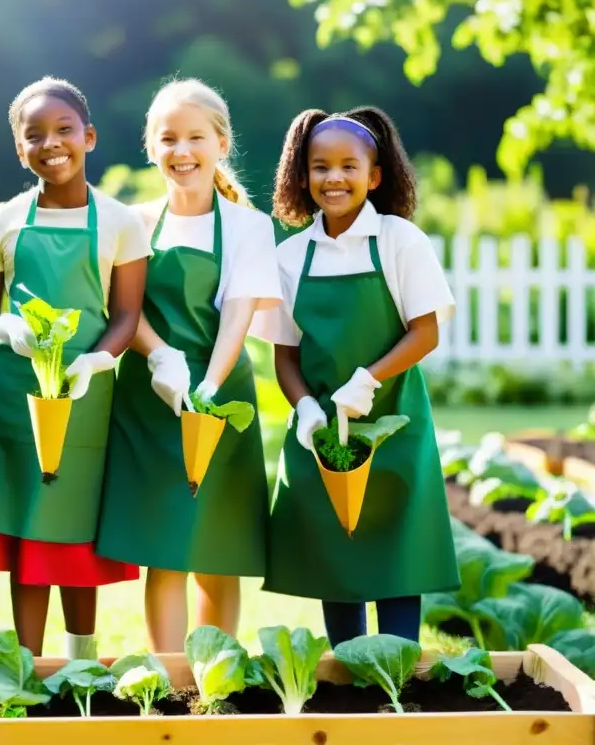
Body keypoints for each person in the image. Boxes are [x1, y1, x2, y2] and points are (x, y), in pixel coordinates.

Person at [253, 106, 461, 645]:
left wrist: (367, 380)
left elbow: (425, 332)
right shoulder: (288, 256)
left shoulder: (399, 241)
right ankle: (347, 671)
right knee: (335, 551)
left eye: (349, 167)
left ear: (374, 176)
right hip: (325, 432)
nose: (334, 178)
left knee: (397, 551)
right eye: (320, 167)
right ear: (303, 177)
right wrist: (304, 407)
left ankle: (396, 669)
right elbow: (286, 356)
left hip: (395, 421)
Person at [95, 79, 283, 652]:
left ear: (221, 143)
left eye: (195, 137)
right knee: (166, 547)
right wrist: (162, 356)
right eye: (167, 138)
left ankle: (218, 675)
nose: (182, 150)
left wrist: (208, 384)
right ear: (150, 148)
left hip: (222, 395)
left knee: (217, 547)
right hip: (149, 397)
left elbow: (239, 315)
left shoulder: (248, 225)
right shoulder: (132, 221)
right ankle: (172, 676)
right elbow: (122, 307)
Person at [0, 76, 150, 658]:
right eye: (35, 134)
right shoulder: (1, 221)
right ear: (19, 149)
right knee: (28, 526)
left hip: (87, 392)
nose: (52, 143)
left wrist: (99, 359)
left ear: (89, 136)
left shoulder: (122, 222)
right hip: (16, 393)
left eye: (64, 130)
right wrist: (8, 330)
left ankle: (80, 661)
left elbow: (126, 314)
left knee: (74, 529)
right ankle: (25, 664)